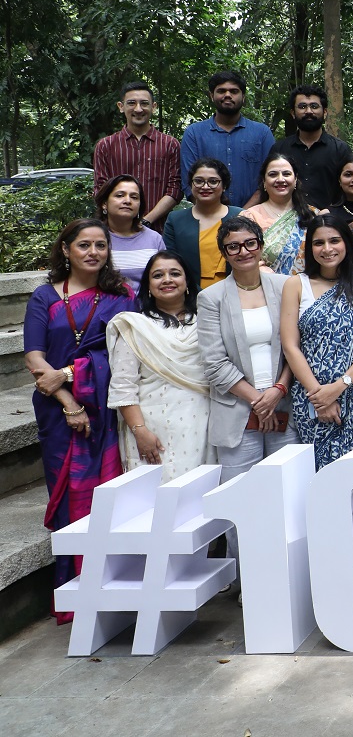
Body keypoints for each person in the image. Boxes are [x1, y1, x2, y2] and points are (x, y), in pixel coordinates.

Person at [23, 219, 135, 620]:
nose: (93, 252)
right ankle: (75, 597)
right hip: (57, 411)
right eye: (84, 245)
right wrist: (69, 400)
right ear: (66, 249)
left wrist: (70, 373)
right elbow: (35, 356)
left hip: (104, 410)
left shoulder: (122, 296)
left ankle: (110, 588)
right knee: (70, 498)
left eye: (100, 245)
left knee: (103, 497)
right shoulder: (44, 296)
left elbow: (125, 354)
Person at [280, 216, 353, 469]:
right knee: (323, 478)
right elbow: (290, 346)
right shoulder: (296, 285)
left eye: (334, 241)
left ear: (347, 243)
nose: (327, 249)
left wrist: (340, 386)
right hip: (312, 397)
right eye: (319, 243)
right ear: (310, 249)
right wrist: (320, 397)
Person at [198, 217, 296, 487]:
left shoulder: (286, 286)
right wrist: (258, 401)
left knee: (288, 492)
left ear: (261, 246)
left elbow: (295, 349)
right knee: (240, 496)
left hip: (284, 405)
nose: (243, 251)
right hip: (237, 411)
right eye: (233, 247)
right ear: (224, 254)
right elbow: (214, 363)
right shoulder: (211, 298)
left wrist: (277, 391)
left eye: (250, 243)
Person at [106, 251, 211, 480]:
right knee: (156, 502)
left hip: (204, 424)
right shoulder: (134, 327)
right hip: (152, 429)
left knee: (201, 496)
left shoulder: (208, 321)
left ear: (187, 282)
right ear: (148, 286)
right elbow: (124, 387)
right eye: (158, 275)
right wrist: (140, 431)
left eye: (175, 273)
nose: (167, 280)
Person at [93, 81, 181, 230]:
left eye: (144, 103)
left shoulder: (170, 144)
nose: (138, 109)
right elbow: (101, 189)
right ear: (121, 107)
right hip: (115, 230)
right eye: (132, 103)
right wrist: (123, 222)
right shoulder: (106, 145)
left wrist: (146, 220)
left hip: (159, 229)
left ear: (153, 107)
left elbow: (175, 189)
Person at [179, 71, 276, 208]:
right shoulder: (194, 133)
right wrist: (216, 214)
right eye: (221, 91)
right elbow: (189, 182)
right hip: (208, 218)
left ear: (243, 97)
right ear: (212, 96)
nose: (227, 95)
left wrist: (242, 216)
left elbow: (270, 179)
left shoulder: (262, 133)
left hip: (255, 217)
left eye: (234, 91)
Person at [267, 84, 352, 209]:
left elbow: (348, 190)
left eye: (314, 106)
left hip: (328, 221)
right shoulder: (280, 149)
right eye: (302, 107)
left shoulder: (340, 149)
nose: (308, 111)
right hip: (285, 220)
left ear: (325, 112)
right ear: (293, 113)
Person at [164, 158, 241, 289]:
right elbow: (170, 262)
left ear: (224, 186)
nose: (205, 187)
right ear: (191, 184)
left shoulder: (240, 216)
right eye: (199, 181)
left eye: (213, 182)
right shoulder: (175, 220)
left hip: (236, 290)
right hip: (189, 294)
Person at [239, 154, 319, 275]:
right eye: (273, 174)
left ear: (296, 179)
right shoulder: (249, 217)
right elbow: (241, 256)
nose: (280, 179)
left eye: (286, 174)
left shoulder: (313, 215)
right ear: (264, 182)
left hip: (308, 288)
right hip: (264, 287)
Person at [95, 174, 166, 288]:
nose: (127, 201)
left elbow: (164, 277)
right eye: (120, 195)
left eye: (134, 197)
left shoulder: (154, 239)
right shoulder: (93, 237)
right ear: (104, 204)